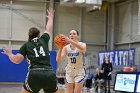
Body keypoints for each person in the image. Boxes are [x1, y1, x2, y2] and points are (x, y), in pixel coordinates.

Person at [2, 8, 58, 93]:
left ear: (29, 35)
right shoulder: (43, 40)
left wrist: (9, 53)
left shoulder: (26, 45)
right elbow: (48, 29)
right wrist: (51, 18)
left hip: (34, 73)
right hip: (49, 73)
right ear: (39, 35)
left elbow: (17, 60)